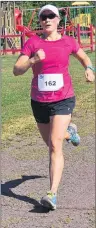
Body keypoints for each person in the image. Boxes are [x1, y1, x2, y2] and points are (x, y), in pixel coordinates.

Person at [13, 4, 95, 210]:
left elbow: (84, 57)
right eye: (43, 17)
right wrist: (32, 60)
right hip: (39, 101)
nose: (47, 19)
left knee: (55, 145)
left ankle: (52, 194)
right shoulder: (33, 43)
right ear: (40, 21)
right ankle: (70, 132)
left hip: (63, 99)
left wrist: (89, 69)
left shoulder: (68, 41)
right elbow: (16, 70)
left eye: (51, 16)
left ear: (58, 20)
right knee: (51, 144)